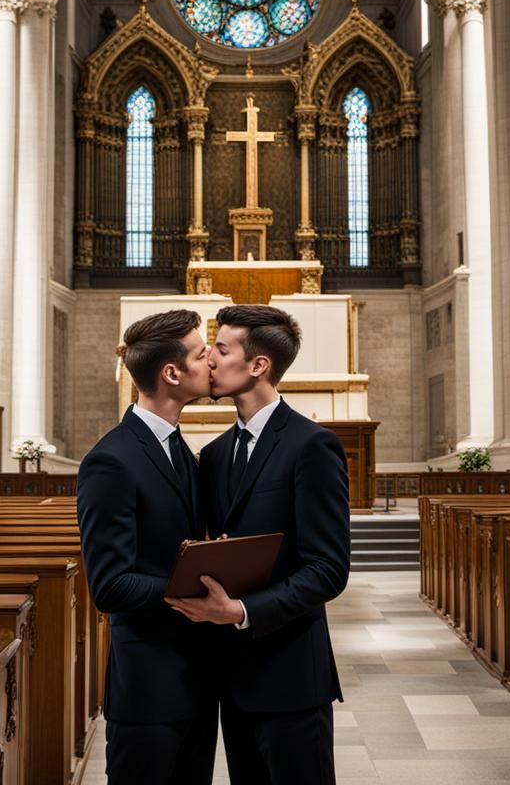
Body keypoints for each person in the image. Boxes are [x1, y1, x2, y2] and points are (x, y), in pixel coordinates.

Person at [167, 304, 351, 785]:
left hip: (291, 672)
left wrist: (243, 611)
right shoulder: (214, 454)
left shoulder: (312, 446)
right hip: (231, 676)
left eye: (221, 350)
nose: (208, 359)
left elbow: (328, 569)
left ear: (258, 365)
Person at [76, 309, 217, 785]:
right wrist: (194, 592)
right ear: (171, 373)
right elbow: (110, 586)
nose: (211, 363)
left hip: (197, 678)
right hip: (149, 685)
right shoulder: (111, 461)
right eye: (202, 354)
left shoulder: (182, 449)